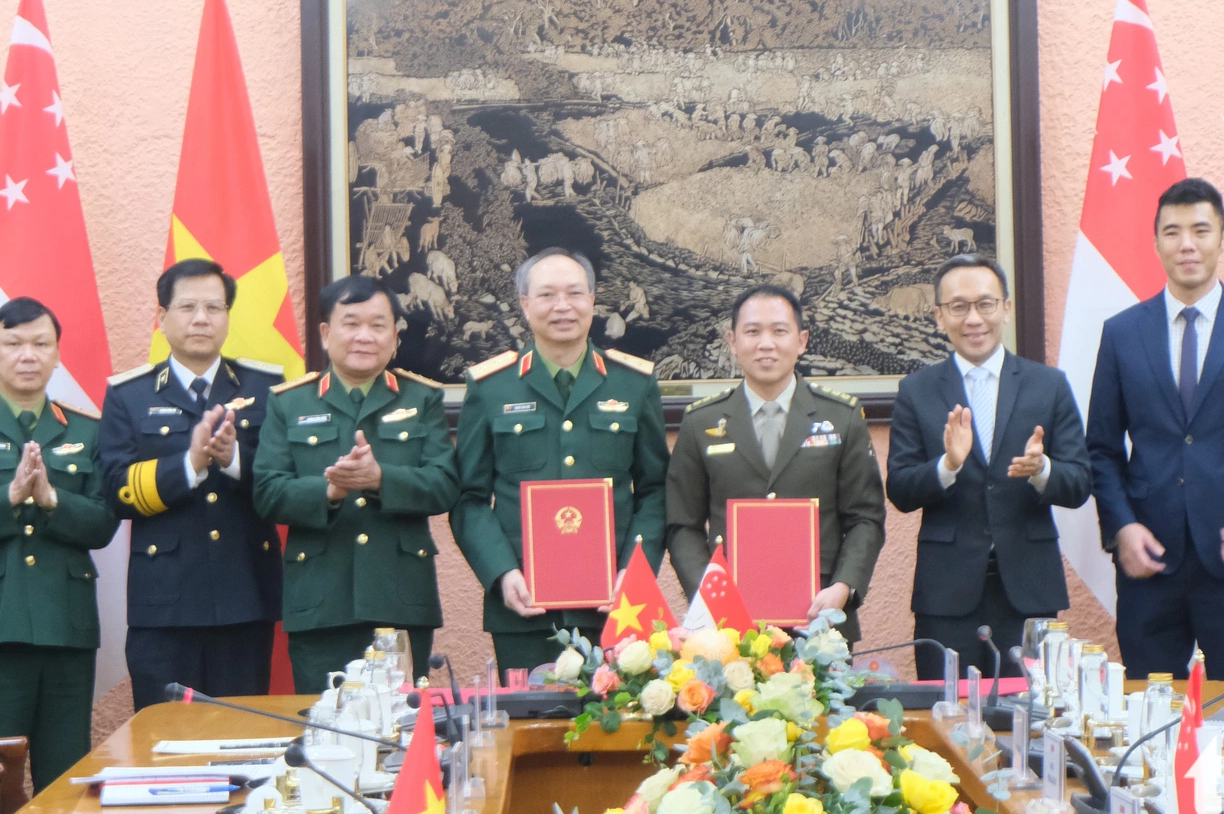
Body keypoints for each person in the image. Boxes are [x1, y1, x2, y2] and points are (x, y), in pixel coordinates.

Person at [1087, 178, 1224, 681]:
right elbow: (1101, 449)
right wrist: (1122, 526)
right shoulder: (1122, 332)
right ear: (1157, 242)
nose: (1187, 244)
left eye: (1201, 230)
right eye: (1173, 232)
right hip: (1149, 558)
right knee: (1148, 712)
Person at [0, 298, 117, 792]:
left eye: (40, 344)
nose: (27, 355)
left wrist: (53, 501)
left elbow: (102, 525)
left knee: (64, 776)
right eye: (13, 343)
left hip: (64, 625)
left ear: (57, 355)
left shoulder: (86, 429)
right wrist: (7, 497)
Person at [451, 248, 668, 673]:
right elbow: (469, 498)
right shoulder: (491, 388)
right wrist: (501, 574)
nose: (563, 306)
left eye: (575, 293)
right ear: (525, 306)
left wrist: (634, 573)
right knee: (529, 733)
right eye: (547, 295)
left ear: (592, 301)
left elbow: (656, 490)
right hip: (524, 607)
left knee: (616, 734)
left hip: (613, 609)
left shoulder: (634, 384)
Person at [885, 256, 1092, 680]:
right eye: (958, 307)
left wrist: (1042, 469)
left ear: (1006, 308)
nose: (974, 318)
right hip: (946, 595)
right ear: (939, 316)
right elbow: (901, 490)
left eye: (985, 304)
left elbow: (1079, 484)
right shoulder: (917, 390)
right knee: (947, 726)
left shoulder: (1048, 385)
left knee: (1032, 723)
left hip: (1028, 592)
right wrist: (947, 465)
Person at [252, 275, 456, 691]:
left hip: (399, 597)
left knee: (399, 731)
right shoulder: (289, 403)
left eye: (379, 325)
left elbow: (445, 484)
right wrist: (330, 491)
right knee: (325, 729)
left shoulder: (422, 399)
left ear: (395, 338)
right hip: (320, 601)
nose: (365, 336)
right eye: (352, 323)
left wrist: (381, 479)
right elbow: (267, 492)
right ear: (326, 333)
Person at [99, 259, 283, 705]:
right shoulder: (130, 394)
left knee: (242, 744)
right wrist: (191, 463)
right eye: (187, 307)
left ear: (227, 317)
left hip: (245, 596)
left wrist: (234, 458)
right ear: (160, 318)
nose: (202, 319)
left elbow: (285, 479)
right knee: (166, 749)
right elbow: (115, 488)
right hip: (164, 605)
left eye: (214, 308)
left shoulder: (268, 387)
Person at [665, 284, 883, 642]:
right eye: (752, 332)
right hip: (726, 621)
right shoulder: (700, 423)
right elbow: (681, 525)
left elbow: (866, 518)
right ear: (733, 342)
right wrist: (709, 595)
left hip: (819, 616)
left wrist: (843, 588)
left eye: (779, 331)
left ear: (802, 341)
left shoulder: (841, 418)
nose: (766, 343)